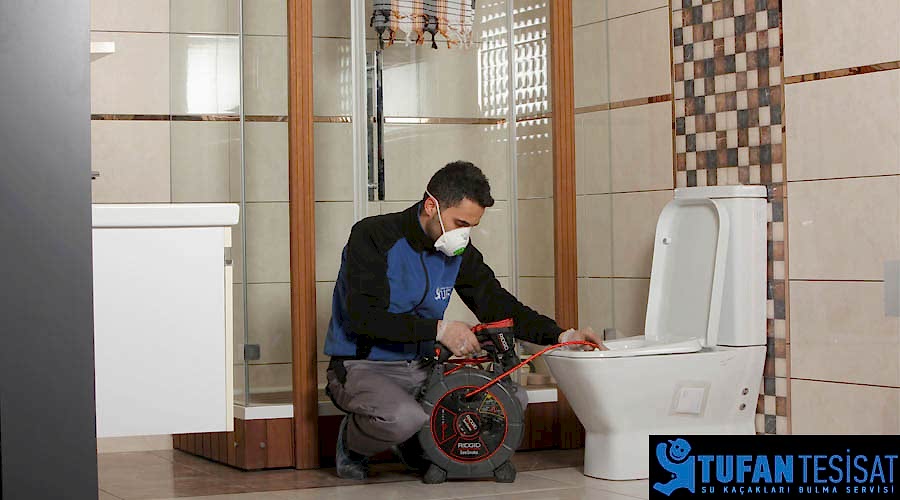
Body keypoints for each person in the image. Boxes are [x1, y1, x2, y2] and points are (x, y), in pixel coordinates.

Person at [323, 161, 604, 479]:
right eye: (459, 222)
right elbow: (363, 318)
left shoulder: (457, 250)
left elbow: (497, 304)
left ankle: (414, 442)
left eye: (471, 226)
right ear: (432, 206)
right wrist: (439, 330)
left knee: (511, 398)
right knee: (402, 418)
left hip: (422, 365)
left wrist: (562, 336)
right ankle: (353, 444)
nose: (463, 234)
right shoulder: (373, 236)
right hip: (363, 365)